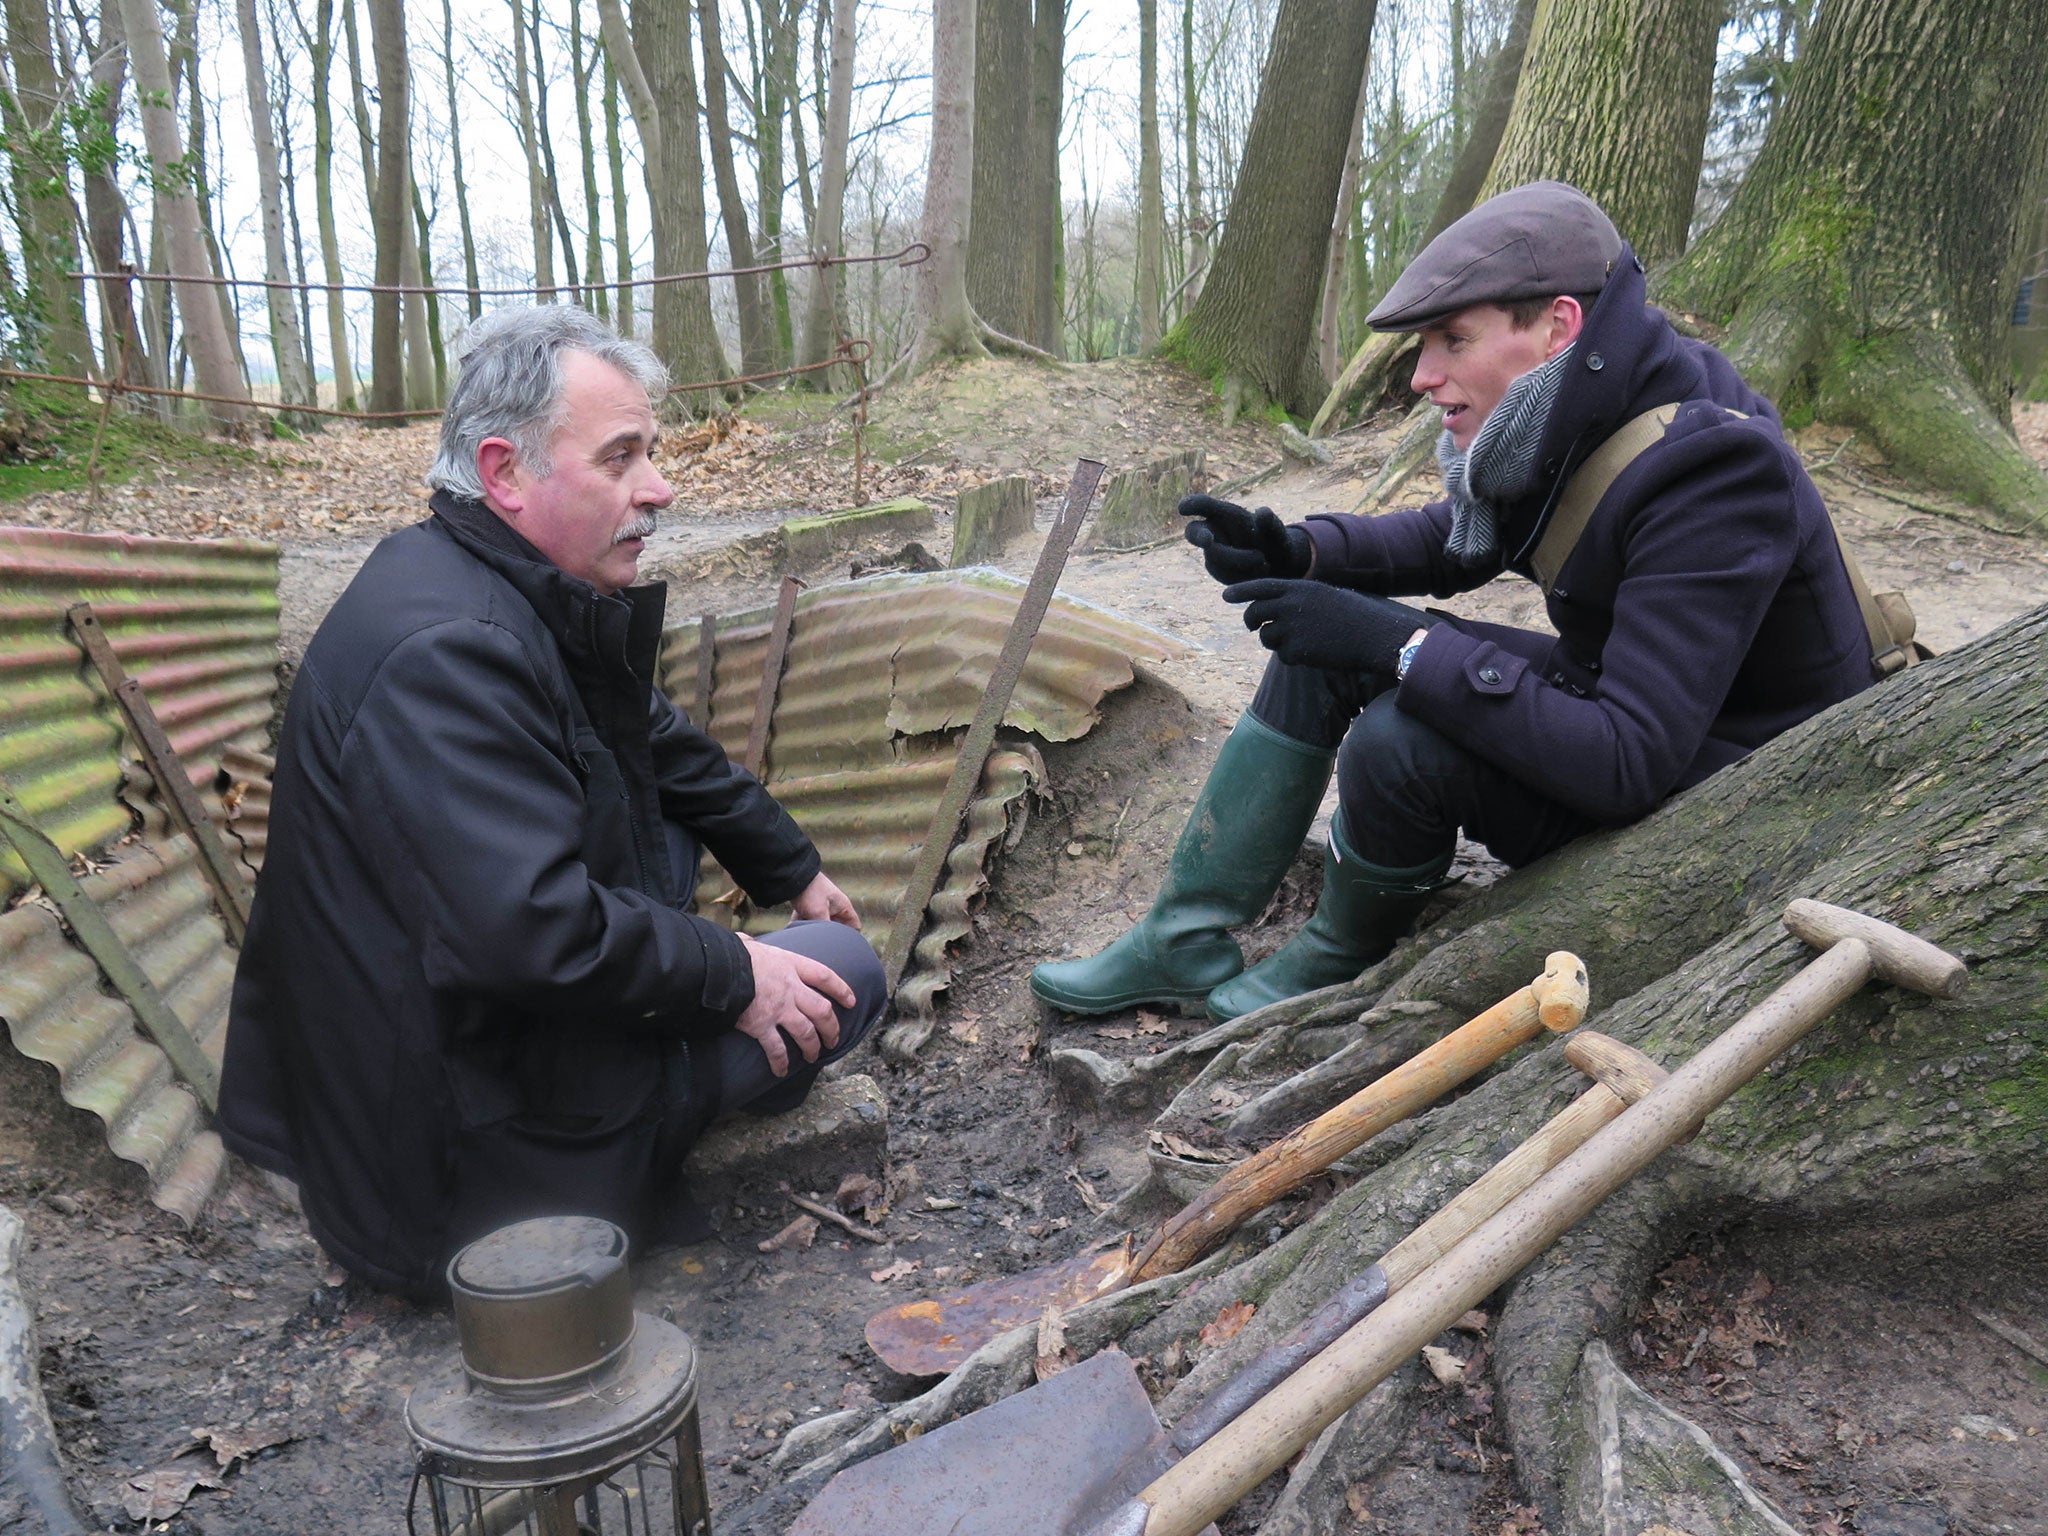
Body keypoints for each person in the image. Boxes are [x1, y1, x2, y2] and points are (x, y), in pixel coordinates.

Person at [1031, 180, 1875, 1024]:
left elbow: (1628, 764)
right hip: (1638, 714)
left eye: (1452, 340)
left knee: (1403, 738)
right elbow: (1461, 538)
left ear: (1556, 326)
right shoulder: (1599, 390)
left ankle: (1338, 953)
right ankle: (1183, 939)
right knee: (1321, 647)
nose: (1423, 377)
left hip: (1729, 792)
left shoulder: (1713, 469)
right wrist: (1308, 549)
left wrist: (1400, 643)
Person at [218, 306, 886, 1299]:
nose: (659, 489)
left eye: (651, 453)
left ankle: (690, 1066)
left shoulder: (477, 579)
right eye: (620, 458)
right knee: (841, 973)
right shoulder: (448, 653)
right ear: (504, 473)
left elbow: (648, 734)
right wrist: (732, 972)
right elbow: (528, 929)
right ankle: (649, 1135)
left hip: (455, 1072)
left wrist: (784, 863)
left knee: (738, 906)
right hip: (457, 1184)